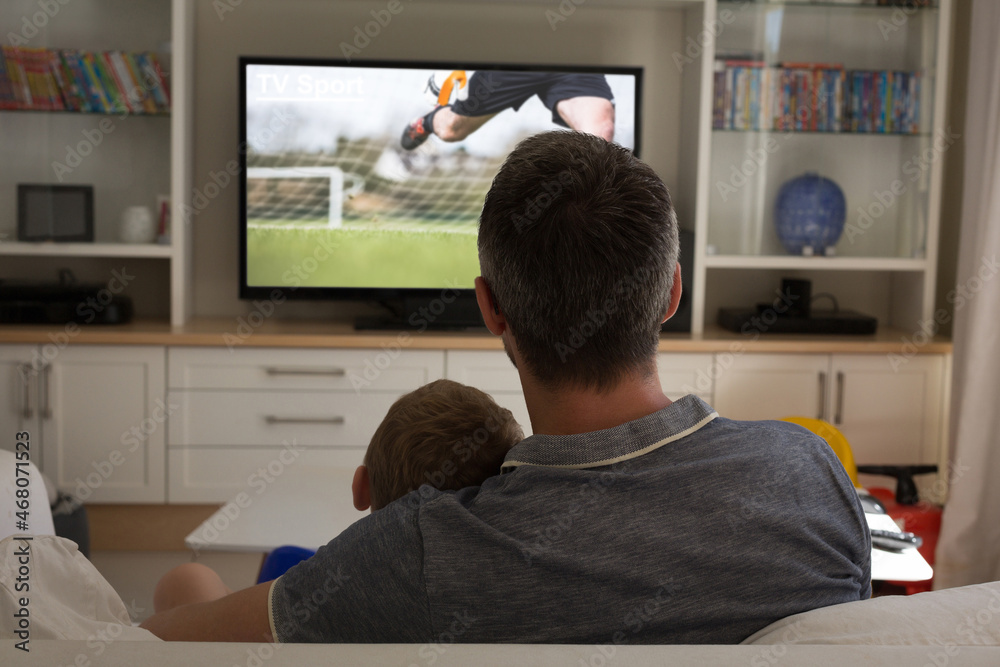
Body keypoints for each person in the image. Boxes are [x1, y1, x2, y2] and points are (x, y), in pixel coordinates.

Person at [141, 131, 870, 644]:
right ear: (671, 292)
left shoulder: (418, 552)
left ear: (490, 306)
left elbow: (159, 641)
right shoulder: (810, 475)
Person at [147, 379, 523, 619]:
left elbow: (177, 617)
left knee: (189, 578)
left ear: (362, 488)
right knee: (285, 557)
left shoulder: (332, 593)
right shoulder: (516, 594)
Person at [401, 70, 616, 150]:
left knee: (600, 136)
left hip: (570, 53)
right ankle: (427, 122)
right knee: (451, 130)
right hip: (515, 56)